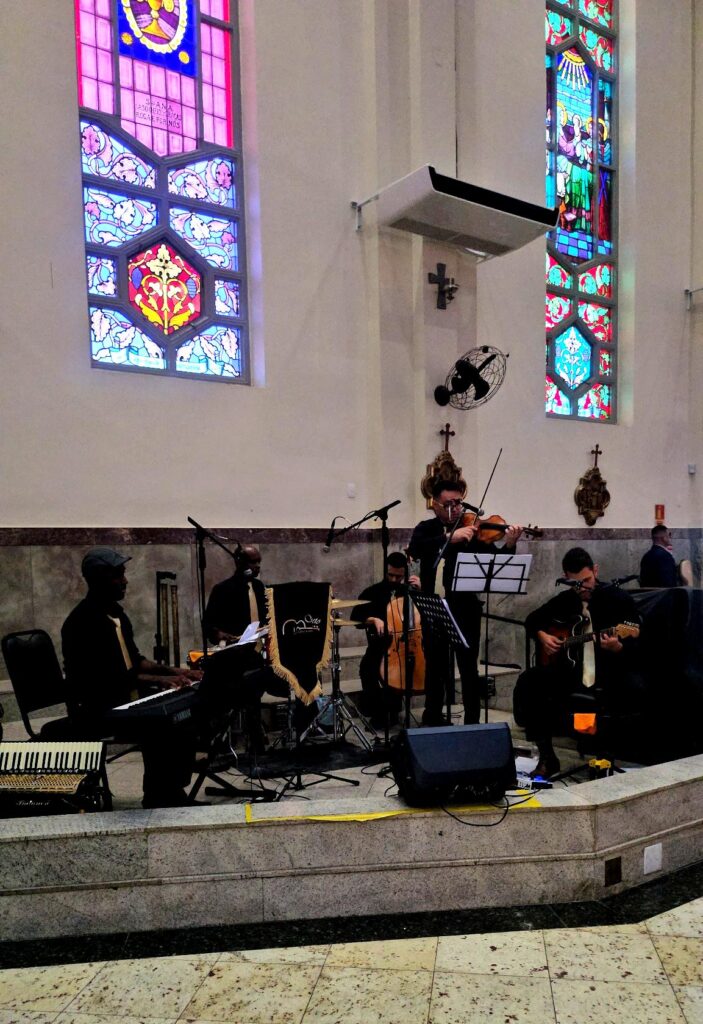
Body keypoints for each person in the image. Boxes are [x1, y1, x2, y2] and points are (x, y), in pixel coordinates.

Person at [62, 546, 202, 808]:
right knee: (163, 722)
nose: (125, 581)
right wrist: (159, 682)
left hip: (125, 698)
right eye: (118, 575)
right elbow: (105, 680)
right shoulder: (81, 623)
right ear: (98, 578)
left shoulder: (116, 614)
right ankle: (159, 796)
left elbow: (136, 660)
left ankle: (169, 791)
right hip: (100, 708)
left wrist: (177, 672)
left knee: (185, 713)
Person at [513, 547, 643, 779]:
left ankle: (603, 759)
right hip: (571, 671)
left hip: (609, 671)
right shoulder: (566, 600)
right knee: (529, 681)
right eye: (575, 584)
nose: (582, 588)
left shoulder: (617, 599)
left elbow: (637, 635)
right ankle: (547, 757)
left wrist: (618, 646)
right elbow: (532, 620)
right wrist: (543, 636)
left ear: (595, 571)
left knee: (619, 695)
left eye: (586, 581)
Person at [408, 480, 522, 726]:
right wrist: (449, 537)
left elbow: (496, 561)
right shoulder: (426, 528)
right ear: (435, 504)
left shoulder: (473, 531)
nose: (456, 509)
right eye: (449, 504)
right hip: (435, 607)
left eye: (458, 503)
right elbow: (417, 549)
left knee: (469, 668)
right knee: (435, 668)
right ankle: (433, 718)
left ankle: (472, 722)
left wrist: (510, 544)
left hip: (466, 608)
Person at [352, 552, 421, 728]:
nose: (394, 579)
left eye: (398, 576)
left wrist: (420, 592)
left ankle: (394, 710)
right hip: (380, 644)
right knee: (367, 669)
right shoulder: (372, 591)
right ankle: (378, 713)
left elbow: (423, 616)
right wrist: (373, 619)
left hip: (405, 644)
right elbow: (356, 618)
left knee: (401, 669)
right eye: (390, 575)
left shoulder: (409, 591)